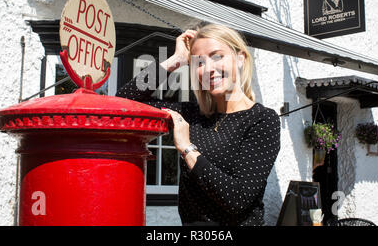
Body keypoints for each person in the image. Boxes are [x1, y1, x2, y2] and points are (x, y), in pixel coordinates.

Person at [116, 22, 281, 226]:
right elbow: (125, 101)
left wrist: (187, 149)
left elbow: (238, 199)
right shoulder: (192, 114)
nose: (209, 69)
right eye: (199, 63)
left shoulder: (262, 120)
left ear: (240, 58)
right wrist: (176, 60)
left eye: (217, 56)